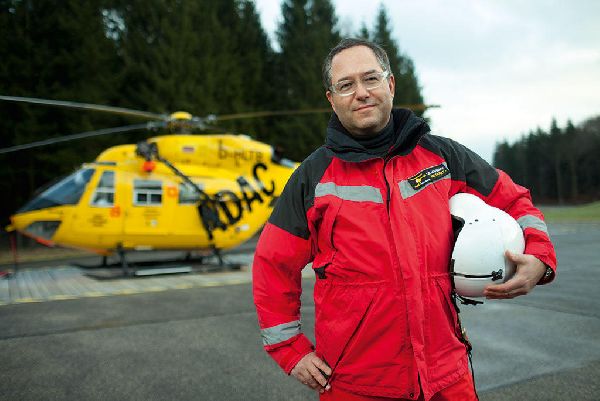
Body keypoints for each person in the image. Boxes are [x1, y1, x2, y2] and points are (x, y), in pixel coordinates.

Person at [252, 38, 556, 401]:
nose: (361, 92)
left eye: (371, 79)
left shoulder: (443, 156)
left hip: (446, 374)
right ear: (332, 100)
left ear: (391, 84)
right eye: (346, 85)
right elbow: (272, 264)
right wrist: (290, 348)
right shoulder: (312, 177)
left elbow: (514, 199)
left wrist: (539, 257)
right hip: (356, 383)